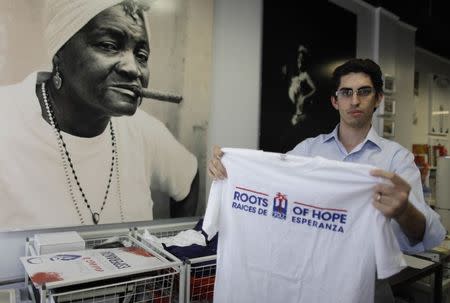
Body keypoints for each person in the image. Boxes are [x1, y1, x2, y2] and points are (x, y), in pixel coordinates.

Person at [208, 58, 446, 302]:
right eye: (346, 93)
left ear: (378, 99)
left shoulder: (396, 160)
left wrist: (404, 209)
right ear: (335, 101)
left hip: (365, 291)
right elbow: (269, 185)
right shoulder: (307, 151)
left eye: (364, 92)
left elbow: (428, 236)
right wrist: (230, 171)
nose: (355, 100)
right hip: (305, 287)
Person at [0, 0, 198, 230]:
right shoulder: (7, 119)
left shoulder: (141, 130)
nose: (133, 68)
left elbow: (189, 177)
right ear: (60, 53)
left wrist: (180, 245)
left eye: (141, 55)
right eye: (109, 45)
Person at [288, 45, 316, 125]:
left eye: (302, 59)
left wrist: (305, 97)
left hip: (299, 107)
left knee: (297, 122)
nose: (299, 61)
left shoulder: (305, 75)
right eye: (298, 59)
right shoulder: (292, 73)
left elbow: (314, 89)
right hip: (291, 106)